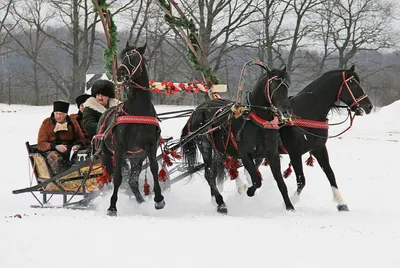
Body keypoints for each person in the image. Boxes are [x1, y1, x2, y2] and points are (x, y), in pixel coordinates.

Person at [37, 101, 86, 174]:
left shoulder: (73, 122)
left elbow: (81, 138)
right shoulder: (47, 123)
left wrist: (77, 145)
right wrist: (56, 147)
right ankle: (60, 178)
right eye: (56, 113)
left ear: (66, 114)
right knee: (54, 157)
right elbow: (41, 144)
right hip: (52, 150)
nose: (58, 116)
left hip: (70, 150)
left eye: (61, 114)